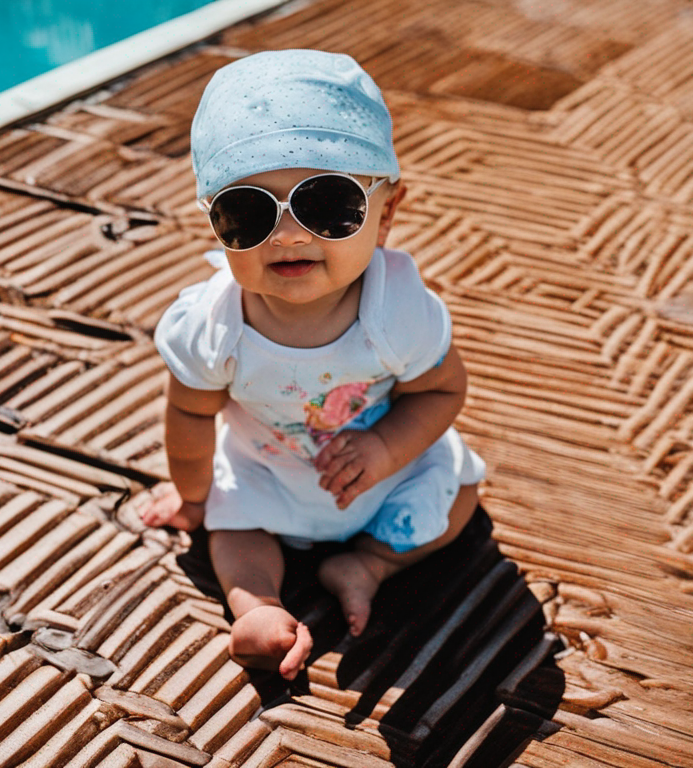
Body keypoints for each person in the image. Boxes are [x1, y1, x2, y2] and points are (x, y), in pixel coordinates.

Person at [142, 49, 485, 680]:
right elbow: (188, 411)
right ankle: (256, 607)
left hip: (381, 472)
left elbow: (441, 392)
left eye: (328, 205)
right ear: (214, 223)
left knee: (457, 493)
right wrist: (194, 497)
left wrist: (383, 449)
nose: (291, 234)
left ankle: (371, 564)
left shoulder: (398, 310)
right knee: (230, 532)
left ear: (388, 214)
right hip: (267, 473)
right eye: (248, 211)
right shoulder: (212, 325)